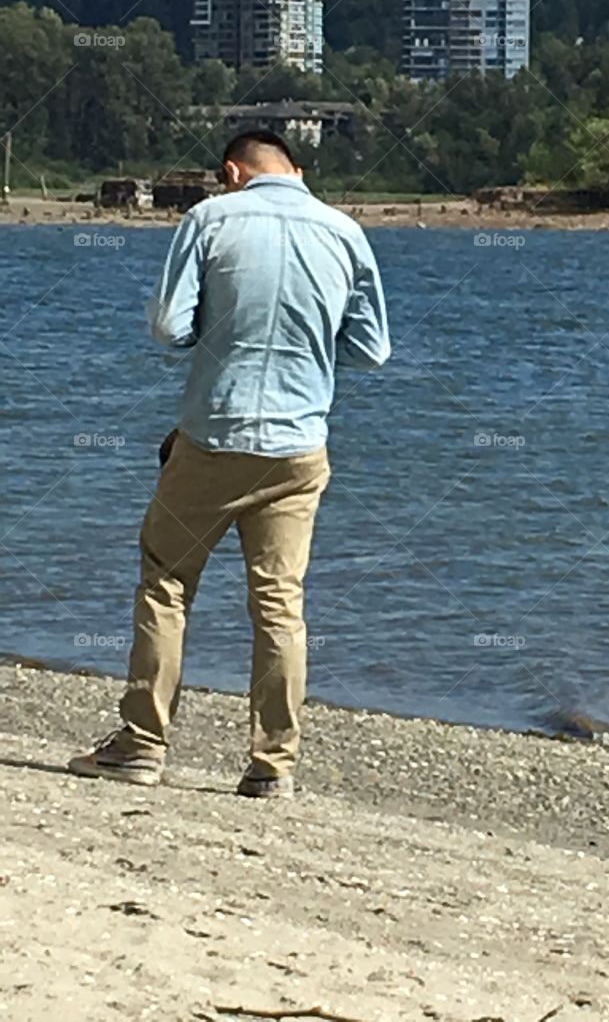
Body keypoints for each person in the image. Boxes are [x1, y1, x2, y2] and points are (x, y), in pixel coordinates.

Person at [68, 132, 390, 798]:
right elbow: (372, 349)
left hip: (215, 437)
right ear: (296, 170)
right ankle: (273, 765)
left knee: (165, 584)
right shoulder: (343, 231)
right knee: (279, 605)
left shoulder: (210, 217)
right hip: (299, 447)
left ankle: (142, 744)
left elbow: (168, 328)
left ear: (232, 172)